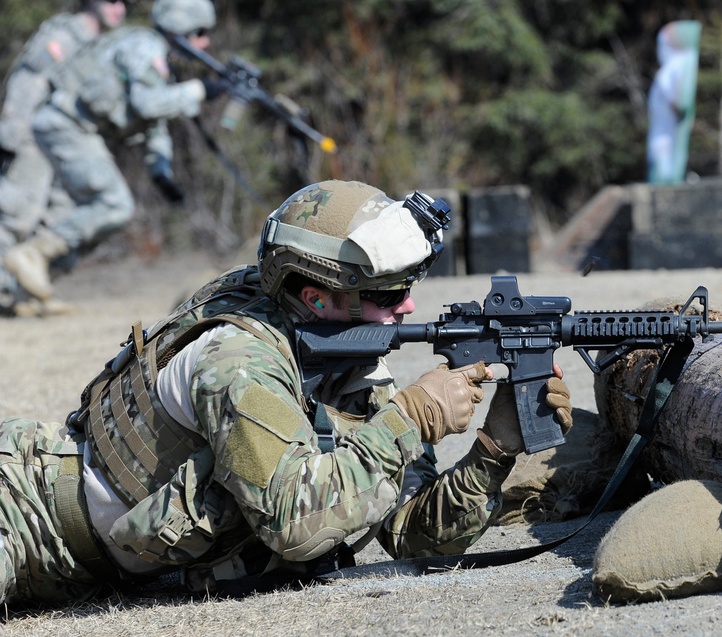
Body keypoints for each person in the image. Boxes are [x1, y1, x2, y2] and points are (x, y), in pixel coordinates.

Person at [0, 178, 574, 605]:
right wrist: (410, 420)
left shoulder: (343, 357)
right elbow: (295, 526)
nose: (407, 307)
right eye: (389, 293)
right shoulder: (238, 359)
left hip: (82, 564)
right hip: (22, 514)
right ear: (319, 298)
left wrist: (494, 449)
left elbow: (413, 538)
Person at [2, 0, 220, 311]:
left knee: (76, 216)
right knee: (111, 204)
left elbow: (153, 123)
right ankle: (29, 258)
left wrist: (160, 171)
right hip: (64, 126)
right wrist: (198, 90)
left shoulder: (153, 53)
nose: (205, 42)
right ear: (180, 28)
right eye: (199, 32)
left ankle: (25, 291)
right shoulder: (145, 46)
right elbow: (148, 105)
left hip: (73, 130)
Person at [0, 0, 130, 318]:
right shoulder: (64, 34)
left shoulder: (105, 44)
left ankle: (26, 295)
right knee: (17, 215)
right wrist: (12, 133)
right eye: (113, 0)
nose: (120, 8)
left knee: (60, 218)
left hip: (65, 143)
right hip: (32, 137)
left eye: (127, 3)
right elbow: (29, 81)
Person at [647, 20, 701, 185]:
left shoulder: (682, 62)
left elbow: (681, 103)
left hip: (668, 136)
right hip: (659, 133)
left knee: (665, 172)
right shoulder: (671, 67)